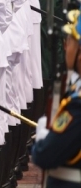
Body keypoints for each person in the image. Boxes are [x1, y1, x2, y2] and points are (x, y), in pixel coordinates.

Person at [32, 11, 81, 188]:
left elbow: (45, 155)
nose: (66, 47)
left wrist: (43, 137)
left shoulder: (77, 105)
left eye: (70, 42)